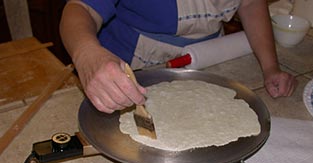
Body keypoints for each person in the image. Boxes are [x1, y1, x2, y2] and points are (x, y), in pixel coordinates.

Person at [60, 0, 297, 113]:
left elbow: (250, 4)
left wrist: (270, 67)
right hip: (131, 72)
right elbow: (80, 9)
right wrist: (86, 55)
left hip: (206, 62)